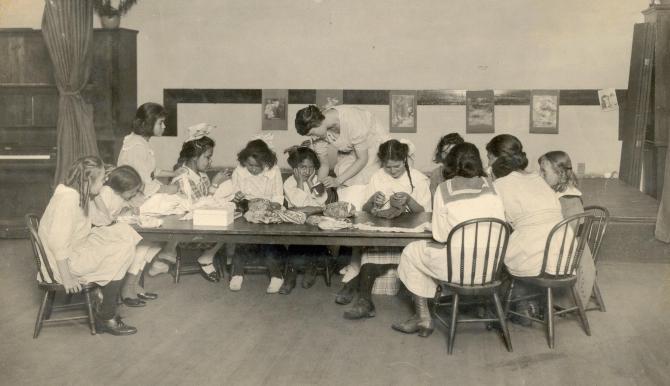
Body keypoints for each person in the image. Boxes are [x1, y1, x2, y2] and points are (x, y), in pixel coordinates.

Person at [392, 142, 505, 337]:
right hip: (490, 269)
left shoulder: (445, 189)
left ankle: (423, 317)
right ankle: (426, 316)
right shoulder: (491, 186)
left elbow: (440, 235)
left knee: (412, 251)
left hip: (459, 270)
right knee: (427, 255)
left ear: (450, 163)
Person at [38, 156, 140, 335]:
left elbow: (100, 210)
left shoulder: (74, 191)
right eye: (101, 180)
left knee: (124, 233)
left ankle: (101, 296)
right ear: (87, 180)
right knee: (121, 250)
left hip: (75, 249)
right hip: (63, 264)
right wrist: (67, 278)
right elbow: (57, 243)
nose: (104, 184)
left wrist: (98, 181)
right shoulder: (67, 201)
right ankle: (106, 315)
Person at [341, 139, 431, 320]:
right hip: (385, 229)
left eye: (396, 166)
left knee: (381, 253)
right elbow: (365, 209)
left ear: (405, 159)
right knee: (372, 251)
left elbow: (426, 214)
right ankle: (365, 301)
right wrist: (373, 201)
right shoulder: (378, 176)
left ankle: (354, 286)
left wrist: (408, 200)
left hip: (412, 234)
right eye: (388, 167)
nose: (392, 171)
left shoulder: (419, 179)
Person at [486, 134, 565, 324]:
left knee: (493, 254)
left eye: (489, 158)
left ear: (497, 159)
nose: (487, 163)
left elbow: (494, 221)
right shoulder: (538, 178)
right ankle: (527, 304)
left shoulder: (500, 184)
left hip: (535, 258)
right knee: (518, 243)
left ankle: (513, 306)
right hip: (564, 254)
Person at [117, 102, 181, 276]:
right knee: (177, 209)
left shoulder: (140, 142)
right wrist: (169, 188)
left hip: (139, 195)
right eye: (160, 122)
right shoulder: (137, 146)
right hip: (133, 201)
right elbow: (145, 183)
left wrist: (173, 172)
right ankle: (164, 256)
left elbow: (151, 170)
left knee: (175, 213)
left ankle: (162, 257)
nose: (164, 126)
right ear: (147, 123)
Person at [89, 165, 163, 307]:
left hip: (107, 233)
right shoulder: (105, 193)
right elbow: (98, 219)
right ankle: (127, 288)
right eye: (133, 191)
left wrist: (129, 208)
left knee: (151, 242)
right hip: (97, 238)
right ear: (123, 187)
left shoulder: (117, 194)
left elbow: (119, 209)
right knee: (142, 244)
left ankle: (132, 284)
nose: (134, 194)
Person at [294, 104, 389, 210]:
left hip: (373, 148)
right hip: (351, 153)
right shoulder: (319, 135)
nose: (313, 137)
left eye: (312, 133)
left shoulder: (351, 120)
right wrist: (319, 186)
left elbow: (363, 159)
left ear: (317, 123)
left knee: (367, 189)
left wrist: (338, 180)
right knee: (347, 195)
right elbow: (324, 165)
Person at [169, 124, 231, 282]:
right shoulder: (183, 178)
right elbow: (196, 208)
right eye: (208, 157)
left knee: (231, 217)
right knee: (227, 225)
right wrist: (215, 185)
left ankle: (208, 256)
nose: (210, 161)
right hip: (188, 228)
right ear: (194, 157)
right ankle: (207, 257)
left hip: (203, 221)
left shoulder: (201, 175)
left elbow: (206, 202)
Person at [538, 150, 596, 307]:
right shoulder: (563, 193)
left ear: (561, 173)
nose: (540, 175)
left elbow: (565, 235)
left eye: (544, 171)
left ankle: (530, 300)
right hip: (570, 248)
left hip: (570, 255)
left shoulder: (568, 199)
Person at [228, 138, 285, 293]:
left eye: (256, 166)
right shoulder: (239, 170)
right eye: (249, 165)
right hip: (245, 209)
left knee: (268, 241)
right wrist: (239, 200)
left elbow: (278, 196)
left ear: (265, 162)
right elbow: (233, 194)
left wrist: (270, 207)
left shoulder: (274, 170)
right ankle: (237, 273)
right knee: (242, 239)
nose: (252, 169)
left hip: (269, 210)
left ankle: (276, 276)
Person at [279, 146, 333, 295]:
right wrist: (300, 183)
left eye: (310, 168)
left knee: (314, 238)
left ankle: (311, 267)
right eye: (302, 167)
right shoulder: (289, 183)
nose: (307, 171)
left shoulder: (316, 180)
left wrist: (309, 182)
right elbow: (299, 204)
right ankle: (290, 276)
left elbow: (321, 201)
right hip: (297, 222)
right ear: (294, 168)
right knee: (298, 242)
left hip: (316, 220)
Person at [428, 133, 465, 199]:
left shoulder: (468, 172)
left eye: (452, 153)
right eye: (445, 153)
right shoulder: (436, 174)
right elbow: (435, 202)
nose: (448, 157)